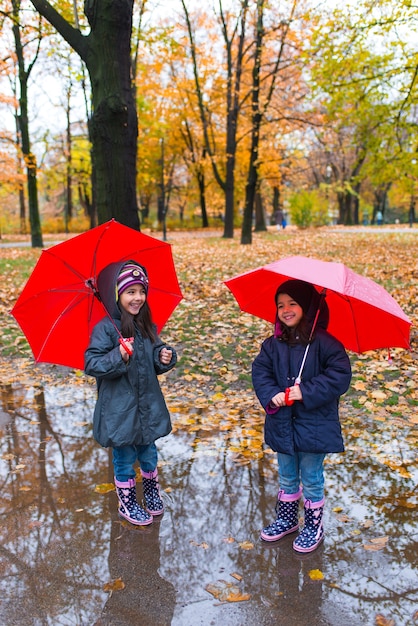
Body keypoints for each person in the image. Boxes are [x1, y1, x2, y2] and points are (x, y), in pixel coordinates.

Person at [252, 279, 351, 552]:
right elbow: (260, 372)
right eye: (280, 305)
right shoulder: (273, 344)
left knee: (311, 476)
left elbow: (340, 376)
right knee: (286, 476)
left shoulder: (326, 344)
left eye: (293, 304)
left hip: (314, 427)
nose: (285, 309)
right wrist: (271, 393)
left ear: (307, 308)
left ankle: (313, 525)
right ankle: (286, 520)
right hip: (282, 424)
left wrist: (304, 391)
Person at [85, 261, 177, 526]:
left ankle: (150, 491)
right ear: (117, 295)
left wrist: (164, 355)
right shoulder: (105, 328)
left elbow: (154, 359)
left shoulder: (145, 325)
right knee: (124, 457)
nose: (137, 298)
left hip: (146, 405)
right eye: (130, 292)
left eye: (141, 291)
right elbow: (92, 364)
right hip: (119, 410)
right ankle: (127, 501)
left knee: (148, 452)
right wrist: (119, 355)